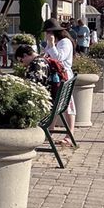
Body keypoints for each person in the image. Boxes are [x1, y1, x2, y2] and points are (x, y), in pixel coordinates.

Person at [43, 17, 77, 146]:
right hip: (54, 76)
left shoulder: (65, 42)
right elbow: (47, 55)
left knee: (68, 105)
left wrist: (51, 45)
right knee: (55, 103)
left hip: (63, 76)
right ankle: (50, 129)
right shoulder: (53, 42)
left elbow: (59, 58)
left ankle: (70, 134)